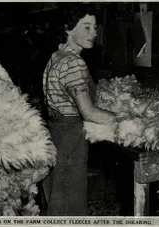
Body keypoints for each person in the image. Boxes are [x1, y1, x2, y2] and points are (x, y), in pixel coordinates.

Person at [41, 4, 116, 216]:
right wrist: (127, 119)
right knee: (70, 206)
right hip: (71, 142)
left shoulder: (56, 57)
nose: (93, 33)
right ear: (68, 29)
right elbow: (89, 113)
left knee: (57, 201)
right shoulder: (74, 64)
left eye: (94, 27)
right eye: (86, 27)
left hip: (56, 136)